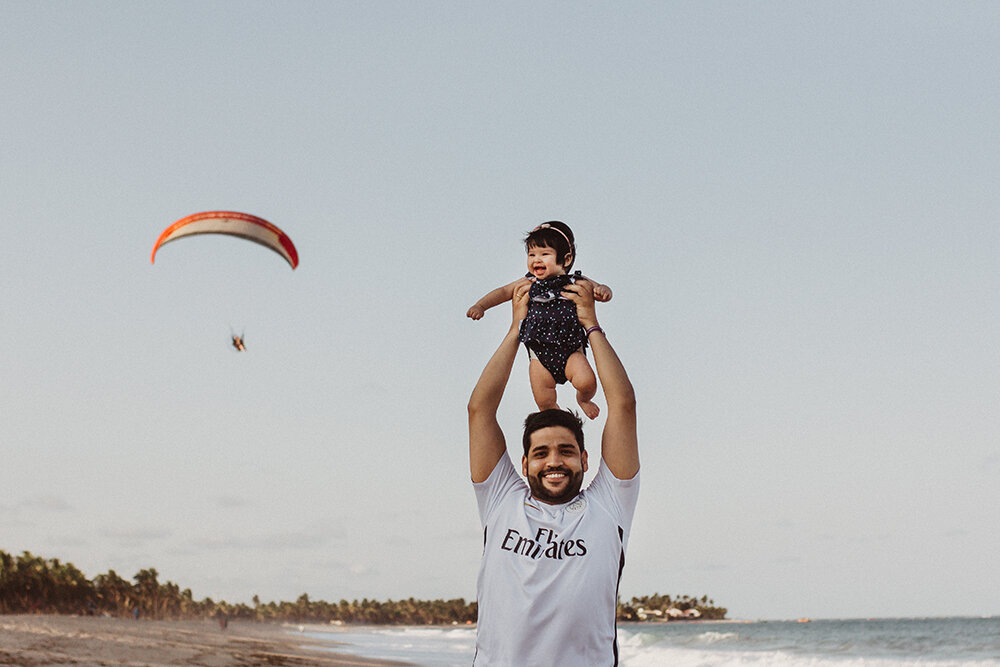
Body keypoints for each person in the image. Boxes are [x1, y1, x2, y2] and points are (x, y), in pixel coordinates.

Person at [467, 277, 639, 666]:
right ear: (523, 463)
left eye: (566, 451)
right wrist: (516, 330)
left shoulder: (610, 505)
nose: (554, 461)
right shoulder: (501, 500)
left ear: (585, 459)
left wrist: (590, 325)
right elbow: (480, 410)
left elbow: (623, 406)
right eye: (541, 453)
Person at [467, 221, 612, 419]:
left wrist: (603, 290)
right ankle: (555, 415)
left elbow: (598, 289)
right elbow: (503, 292)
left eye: (544, 254)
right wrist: (481, 305)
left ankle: (583, 399)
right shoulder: (529, 282)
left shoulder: (575, 281)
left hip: (570, 349)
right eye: (531, 254)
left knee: (587, 382)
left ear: (566, 259)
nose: (536, 260)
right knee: (543, 398)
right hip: (539, 353)